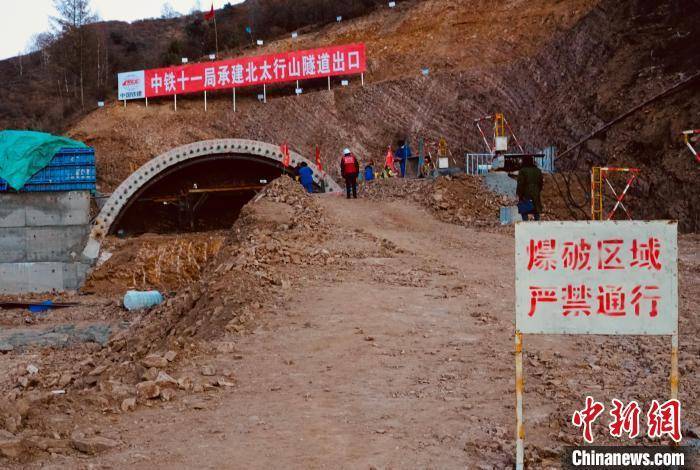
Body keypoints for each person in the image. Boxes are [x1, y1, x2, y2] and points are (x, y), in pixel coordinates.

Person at [516, 155, 544, 221]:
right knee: (536, 209)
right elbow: (541, 183)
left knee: (524, 209)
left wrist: (519, 194)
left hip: (526, 193)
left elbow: (520, 184)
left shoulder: (523, 171)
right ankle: (537, 224)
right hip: (536, 193)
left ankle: (526, 224)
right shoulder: (538, 170)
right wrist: (537, 190)